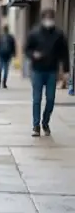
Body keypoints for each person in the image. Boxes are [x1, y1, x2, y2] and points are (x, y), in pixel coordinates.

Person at [23, 8, 71, 136]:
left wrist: (66, 70)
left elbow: (64, 53)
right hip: (37, 70)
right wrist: (33, 55)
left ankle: (45, 122)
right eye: (47, 18)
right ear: (43, 19)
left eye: (51, 18)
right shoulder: (34, 33)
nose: (49, 21)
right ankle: (36, 125)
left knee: (50, 99)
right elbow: (27, 49)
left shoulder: (59, 34)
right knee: (37, 99)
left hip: (52, 71)